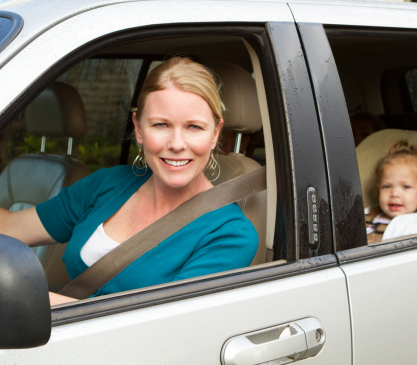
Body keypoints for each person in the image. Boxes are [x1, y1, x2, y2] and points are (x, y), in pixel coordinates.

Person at [0, 57, 259, 305]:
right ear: (138, 129)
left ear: (215, 134)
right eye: (160, 125)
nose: (177, 144)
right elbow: (11, 225)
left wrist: (25, 298)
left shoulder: (231, 234)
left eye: (194, 127)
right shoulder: (107, 184)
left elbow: (161, 326)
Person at [366, 140, 417, 242]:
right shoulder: (368, 212)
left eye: (406, 187)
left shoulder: (416, 223)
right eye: (386, 186)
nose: (394, 194)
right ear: (379, 189)